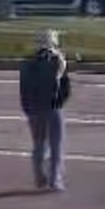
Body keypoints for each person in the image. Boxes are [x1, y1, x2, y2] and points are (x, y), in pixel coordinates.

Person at [19, 29, 70, 191]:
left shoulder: (27, 63)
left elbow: (24, 90)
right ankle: (55, 180)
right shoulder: (57, 61)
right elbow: (65, 88)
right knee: (56, 145)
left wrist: (28, 109)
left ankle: (39, 175)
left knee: (39, 144)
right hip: (53, 108)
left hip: (34, 109)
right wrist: (60, 102)